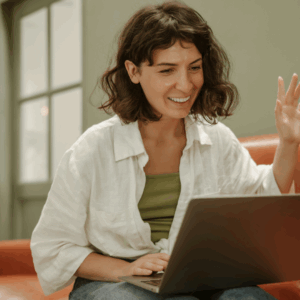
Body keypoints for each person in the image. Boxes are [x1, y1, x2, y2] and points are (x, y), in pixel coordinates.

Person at [30, 0, 300, 299]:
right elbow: (54, 246)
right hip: (113, 278)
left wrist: (289, 141)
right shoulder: (93, 149)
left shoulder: (217, 139)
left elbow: (261, 200)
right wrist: (124, 269)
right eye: (167, 70)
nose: (184, 85)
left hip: (201, 273)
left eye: (194, 68)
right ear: (134, 71)